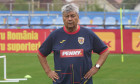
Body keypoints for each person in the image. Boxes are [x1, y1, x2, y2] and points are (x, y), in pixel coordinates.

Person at [37, 3, 109, 84]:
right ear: (63, 18)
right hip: (61, 82)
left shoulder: (88, 34)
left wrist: (96, 67)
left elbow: (105, 51)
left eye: (72, 16)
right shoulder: (55, 35)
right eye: (66, 16)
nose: (70, 19)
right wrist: (48, 71)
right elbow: (41, 54)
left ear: (78, 17)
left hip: (84, 81)